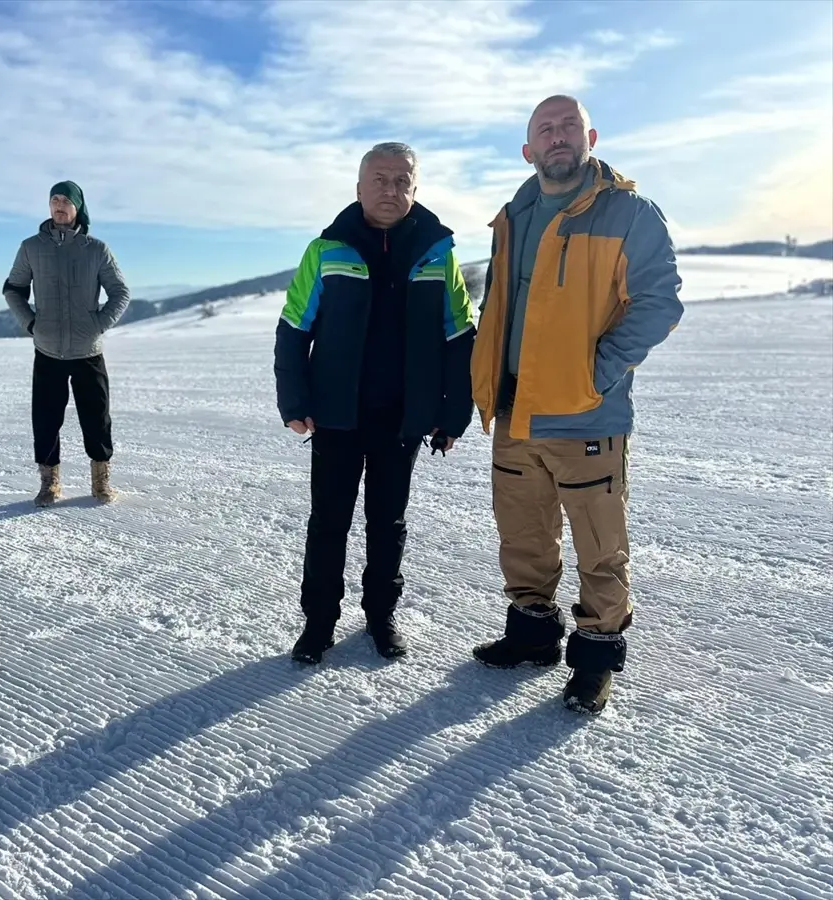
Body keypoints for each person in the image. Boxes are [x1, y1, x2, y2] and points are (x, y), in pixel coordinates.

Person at [469, 95, 684, 715]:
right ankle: (532, 635)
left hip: (587, 416)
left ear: (588, 136)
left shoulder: (628, 214)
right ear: (528, 149)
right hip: (516, 412)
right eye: (545, 128)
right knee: (524, 534)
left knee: (598, 542)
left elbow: (658, 304)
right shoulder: (516, 213)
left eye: (567, 126)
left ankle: (594, 657)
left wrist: (595, 374)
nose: (557, 136)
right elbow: (501, 308)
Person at [274, 142, 477, 664]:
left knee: (388, 522)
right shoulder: (327, 250)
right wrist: (294, 399)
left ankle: (381, 616)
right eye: (379, 180)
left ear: (415, 188)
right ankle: (319, 622)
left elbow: (460, 338)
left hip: (404, 416)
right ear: (359, 187)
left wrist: (453, 413)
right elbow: (294, 328)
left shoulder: (438, 253)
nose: (390, 189)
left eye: (401, 181)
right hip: (337, 413)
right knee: (329, 521)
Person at [2, 181, 132, 507]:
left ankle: (101, 482)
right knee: (46, 419)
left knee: (97, 418)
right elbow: (13, 288)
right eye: (54, 200)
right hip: (47, 351)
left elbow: (120, 292)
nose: (59, 206)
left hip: (88, 351)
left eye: (66, 201)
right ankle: (49, 484)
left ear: (78, 207)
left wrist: (98, 324)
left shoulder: (96, 249)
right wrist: (30, 323)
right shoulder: (31, 247)